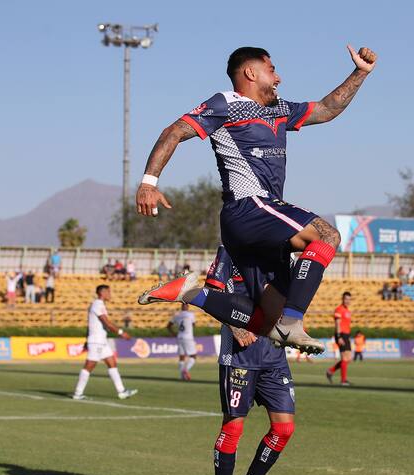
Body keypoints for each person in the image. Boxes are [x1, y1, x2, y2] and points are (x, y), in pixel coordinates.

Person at [135, 45, 377, 355]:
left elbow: (327, 109)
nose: (279, 77)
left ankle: (193, 293)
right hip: (250, 207)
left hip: (257, 223)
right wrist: (148, 182)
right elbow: (174, 131)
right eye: (272, 69)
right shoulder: (226, 104)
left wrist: (361, 72)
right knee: (327, 235)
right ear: (251, 73)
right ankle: (293, 321)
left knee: (268, 323)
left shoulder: (279, 109)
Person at [204, 245, 296, 475]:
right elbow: (211, 295)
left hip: (274, 355)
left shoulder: (283, 252)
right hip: (239, 357)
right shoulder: (231, 250)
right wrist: (234, 325)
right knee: (233, 428)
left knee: (284, 428)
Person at [72, 285, 138, 400]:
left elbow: (91, 325)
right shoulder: (98, 304)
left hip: (101, 341)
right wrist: (121, 332)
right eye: (108, 292)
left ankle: (121, 391)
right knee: (89, 366)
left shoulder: (98, 304)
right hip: (97, 341)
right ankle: (78, 393)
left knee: (112, 364)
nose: (110, 294)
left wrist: (86, 340)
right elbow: (107, 323)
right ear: (102, 293)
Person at [326, 292, 353, 386]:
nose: (348, 301)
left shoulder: (348, 311)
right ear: (342, 299)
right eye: (346, 299)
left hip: (346, 335)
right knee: (345, 358)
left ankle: (330, 371)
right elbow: (338, 324)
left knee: (349, 358)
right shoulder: (339, 309)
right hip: (341, 335)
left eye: (349, 299)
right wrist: (339, 336)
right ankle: (343, 380)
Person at [168, 303, 197, 381]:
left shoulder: (177, 315)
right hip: (188, 337)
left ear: (181, 307)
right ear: (187, 307)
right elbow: (194, 325)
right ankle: (186, 370)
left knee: (181, 357)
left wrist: (173, 333)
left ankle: (182, 376)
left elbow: (168, 326)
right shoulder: (191, 314)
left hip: (179, 337)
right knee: (193, 356)